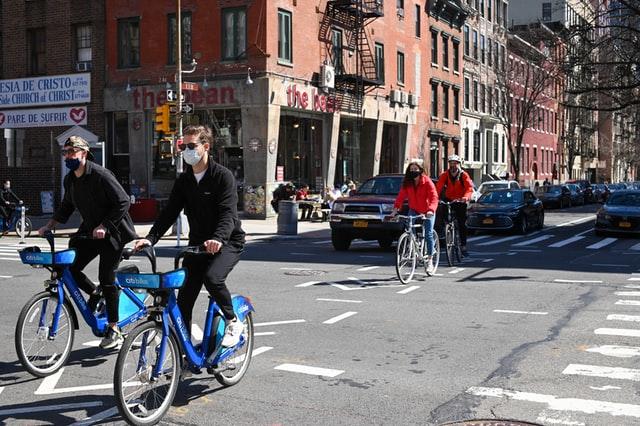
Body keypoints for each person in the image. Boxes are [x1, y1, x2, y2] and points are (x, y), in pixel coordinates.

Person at [133, 125, 246, 348]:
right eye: (183, 146)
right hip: (197, 245)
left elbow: (228, 214)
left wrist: (218, 239)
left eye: (191, 146)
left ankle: (233, 321)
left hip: (227, 241)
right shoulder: (184, 181)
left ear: (206, 146)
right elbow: (169, 212)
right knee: (184, 298)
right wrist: (151, 238)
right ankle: (185, 355)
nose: (186, 150)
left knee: (212, 278)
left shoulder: (222, 177)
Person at [37, 136, 136, 349]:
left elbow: (123, 201)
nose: (68, 156)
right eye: (66, 152)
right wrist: (50, 224)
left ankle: (114, 328)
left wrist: (105, 225)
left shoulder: (100, 175)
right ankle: (94, 292)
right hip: (90, 232)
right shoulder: (70, 179)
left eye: (72, 151)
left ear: (84, 152)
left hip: (113, 232)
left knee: (107, 278)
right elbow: (67, 205)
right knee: (69, 268)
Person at [390, 162, 439, 273]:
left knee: (428, 233)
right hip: (414, 209)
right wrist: (395, 210)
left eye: (415, 169)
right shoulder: (407, 183)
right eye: (411, 169)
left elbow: (434, 197)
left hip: (427, 211)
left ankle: (430, 260)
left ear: (420, 170)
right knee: (409, 227)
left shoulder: (427, 181)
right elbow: (401, 197)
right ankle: (412, 245)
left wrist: (431, 210)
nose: (413, 171)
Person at [435, 155, 474, 256]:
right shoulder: (445, 175)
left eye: (455, 164)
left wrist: (465, 198)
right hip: (449, 199)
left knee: (462, 223)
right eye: (451, 164)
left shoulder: (463, 175)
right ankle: (444, 231)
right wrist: (435, 198)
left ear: (459, 164)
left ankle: (463, 246)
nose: (453, 166)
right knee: (441, 212)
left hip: (460, 200)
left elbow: (469, 188)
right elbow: (438, 187)